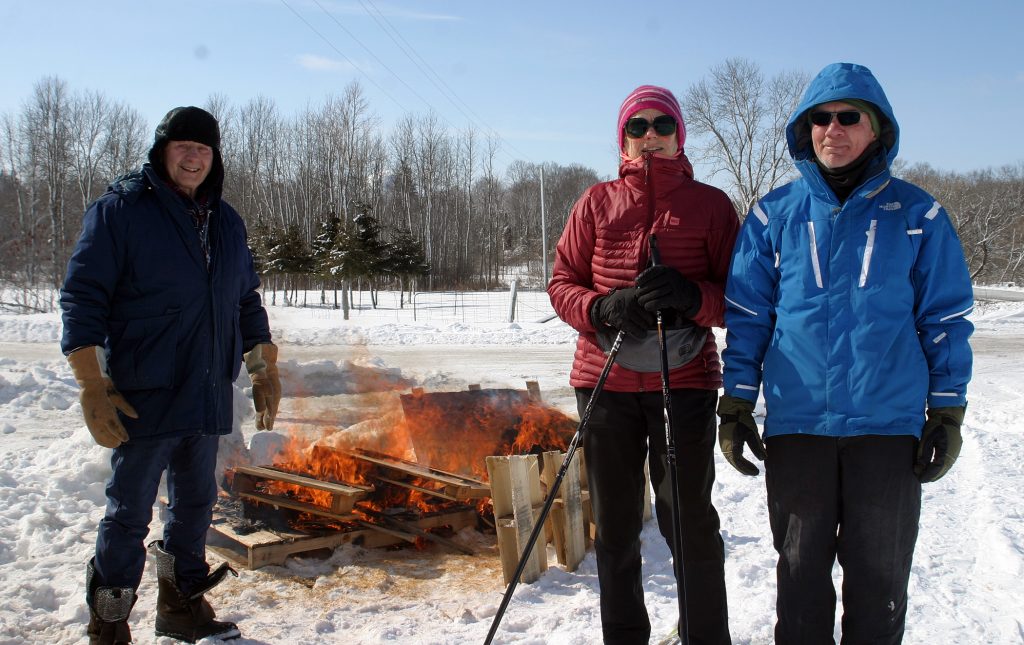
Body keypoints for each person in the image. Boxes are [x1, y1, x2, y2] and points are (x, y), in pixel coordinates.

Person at [717, 62, 973, 644]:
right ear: (805, 129)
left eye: (848, 117)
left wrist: (948, 409)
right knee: (801, 587)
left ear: (876, 128)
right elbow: (749, 319)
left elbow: (946, 319)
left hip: (886, 431)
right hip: (798, 428)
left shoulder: (918, 216)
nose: (833, 129)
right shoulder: (772, 217)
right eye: (820, 118)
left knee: (878, 590)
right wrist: (735, 403)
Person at [60, 106, 282, 644]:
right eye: (182, 146)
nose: (193, 157)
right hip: (146, 391)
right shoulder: (122, 210)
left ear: (215, 158)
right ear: (162, 151)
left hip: (207, 389)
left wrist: (262, 367)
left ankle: (181, 605)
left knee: (196, 505)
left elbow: (244, 299)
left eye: (203, 149)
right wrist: (92, 381)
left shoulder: (225, 220)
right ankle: (109, 620)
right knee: (130, 511)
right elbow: (83, 296)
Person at [548, 85, 739, 644]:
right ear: (623, 138)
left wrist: (689, 295)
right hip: (604, 382)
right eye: (638, 126)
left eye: (662, 124)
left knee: (689, 521)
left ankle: (705, 635)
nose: (650, 135)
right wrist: (604, 307)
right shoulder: (595, 200)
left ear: (679, 134)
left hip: (684, 381)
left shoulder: (711, 205)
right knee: (615, 526)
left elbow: (738, 298)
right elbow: (561, 285)